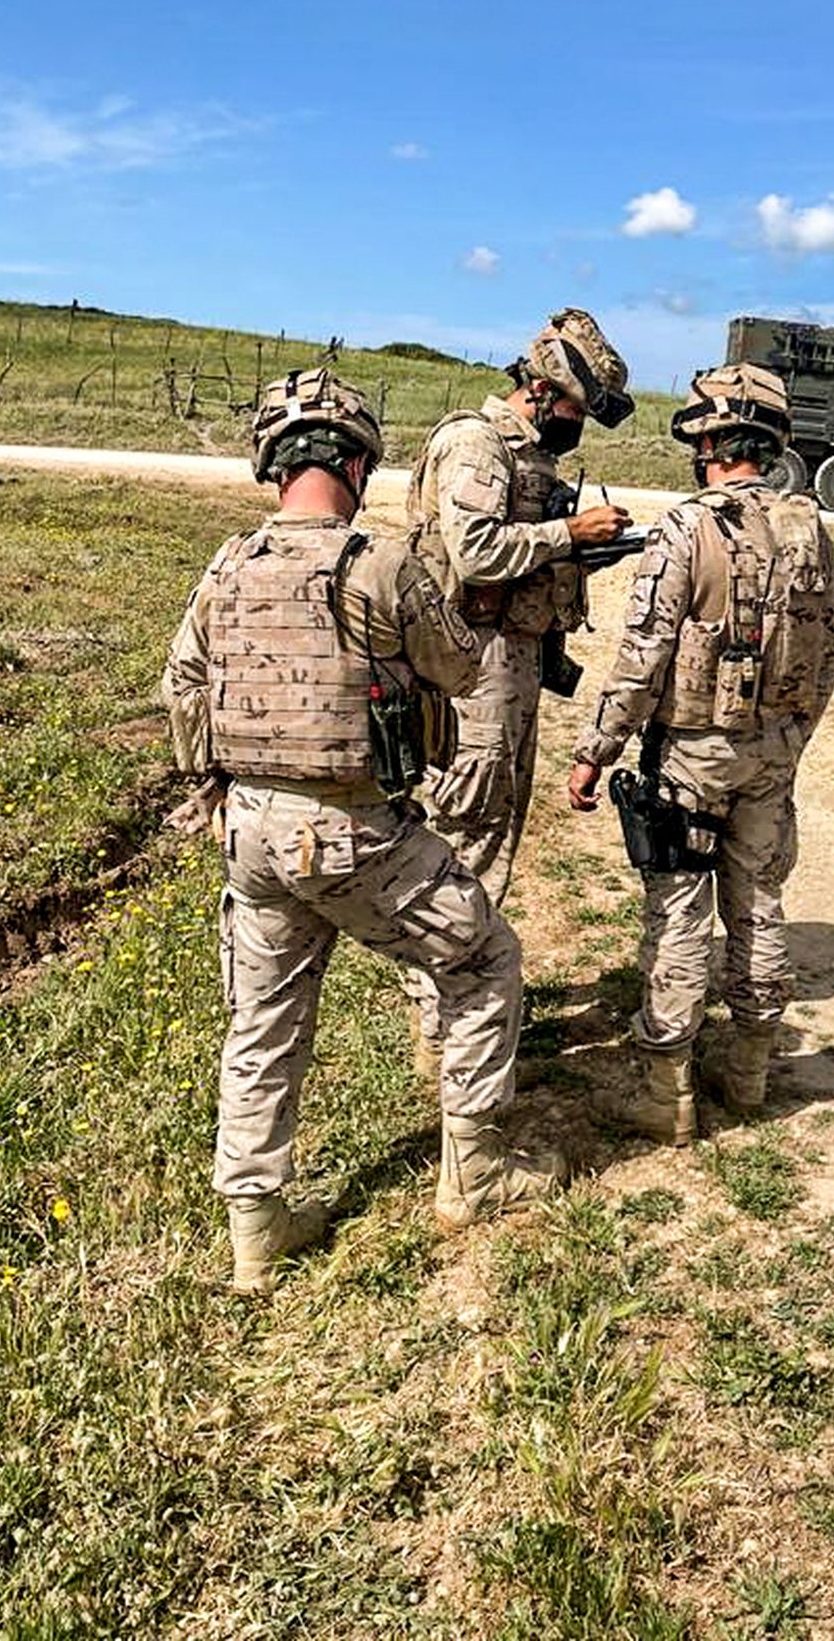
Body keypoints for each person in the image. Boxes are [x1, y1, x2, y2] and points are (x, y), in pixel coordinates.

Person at [161, 367, 562, 1294]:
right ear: (356, 462)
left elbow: (183, 686)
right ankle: (476, 1171)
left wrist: (229, 775)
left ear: (273, 463)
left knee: (261, 1023)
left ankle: (256, 1231)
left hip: (252, 834)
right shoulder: (376, 564)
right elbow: (461, 670)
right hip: (357, 834)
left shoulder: (228, 563)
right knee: (482, 957)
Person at [565, 362, 834, 1143]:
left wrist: (595, 751)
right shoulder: (808, 527)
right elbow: (827, 660)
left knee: (681, 915)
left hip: (691, 754)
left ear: (713, 442)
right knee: (758, 903)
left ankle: (668, 1090)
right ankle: (748, 1071)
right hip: (770, 755)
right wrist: (790, 739)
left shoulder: (690, 529)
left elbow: (642, 656)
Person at [404, 306, 634, 905]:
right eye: (575, 410)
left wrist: (585, 552)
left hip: (514, 658)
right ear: (539, 388)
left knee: (498, 818)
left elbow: (521, 550)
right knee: (469, 822)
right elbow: (476, 552)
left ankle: (471, 963)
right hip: (473, 661)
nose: (577, 424)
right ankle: (448, 979)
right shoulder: (477, 443)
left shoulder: (531, 454)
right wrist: (570, 536)